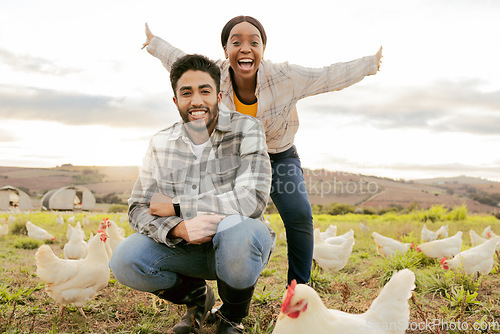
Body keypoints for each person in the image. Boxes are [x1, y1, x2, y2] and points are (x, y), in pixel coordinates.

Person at [142, 16, 383, 285]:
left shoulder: (286, 77)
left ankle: (298, 289)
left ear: (263, 50)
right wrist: (154, 44)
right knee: (228, 219)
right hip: (234, 158)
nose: (245, 48)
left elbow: (326, 76)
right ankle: (219, 286)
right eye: (236, 42)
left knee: (300, 214)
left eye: (253, 42)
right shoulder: (215, 76)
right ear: (226, 51)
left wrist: (370, 64)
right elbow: (180, 60)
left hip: (279, 155)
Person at [109, 54, 275, 334]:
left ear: (219, 96)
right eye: (186, 93)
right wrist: (179, 228)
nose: (196, 100)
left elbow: (253, 198)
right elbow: (138, 206)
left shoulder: (248, 129)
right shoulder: (161, 143)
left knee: (237, 231)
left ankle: (231, 315)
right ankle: (198, 298)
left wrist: (177, 207)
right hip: (184, 249)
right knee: (124, 260)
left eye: (204, 91)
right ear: (176, 101)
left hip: (238, 245)